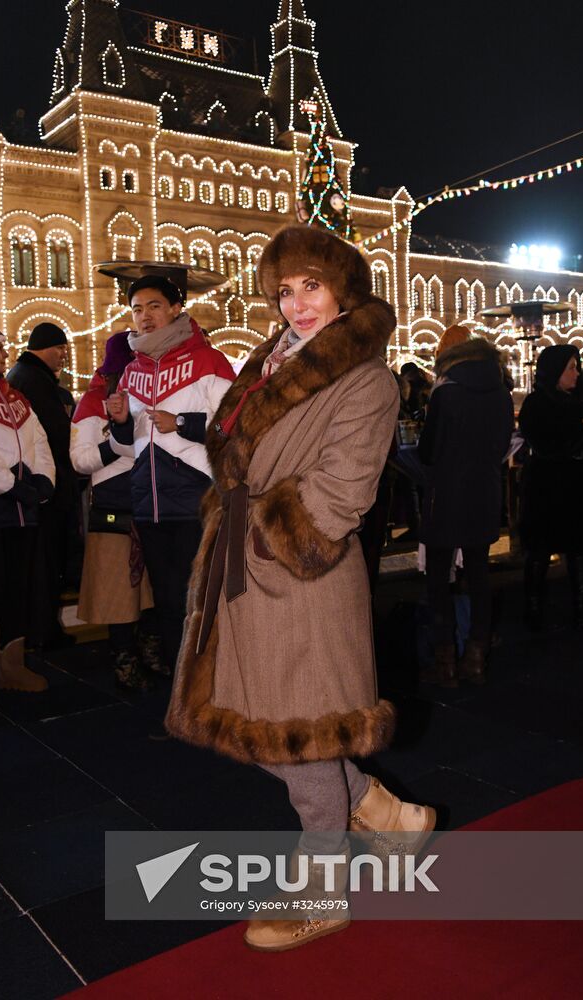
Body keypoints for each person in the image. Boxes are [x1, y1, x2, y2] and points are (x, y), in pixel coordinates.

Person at [165, 225, 436, 952]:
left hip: (298, 577)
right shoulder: (274, 361)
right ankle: (380, 809)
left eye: (310, 286)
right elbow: (233, 455)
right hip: (241, 569)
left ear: (343, 290)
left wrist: (268, 535)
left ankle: (324, 892)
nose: (296, 304)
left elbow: (343, 491)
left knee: (303, 739)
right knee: (250, 722)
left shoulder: (365, 376)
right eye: (284, 290)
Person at [106, 277, 236, 684]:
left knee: (205, 600)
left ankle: (218, 687)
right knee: (166, 603)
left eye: (155, 306)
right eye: (137, 309)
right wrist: (122, 425)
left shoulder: (210, 361)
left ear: (177, 307)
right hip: (150, 505)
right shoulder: (130, 371)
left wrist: (182, 423)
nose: (145, 316)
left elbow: (237, 426)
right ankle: (182, 695)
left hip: (199, 501)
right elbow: (127, 448)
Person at [417, 335, 514, 686]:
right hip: (484, 492)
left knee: (439, 579)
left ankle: (445, 662)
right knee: (479, 576)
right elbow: (503, 444)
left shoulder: (446, 393)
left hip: (446, 494)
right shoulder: (502, 394)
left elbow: (429, 449)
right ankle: (476, 656)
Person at [0, 324, 54, 700]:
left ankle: (11, 666)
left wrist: (44, 479)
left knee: (20, 586)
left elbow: (38, 438)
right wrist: (12, 487)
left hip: (22, 508)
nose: (5, 356)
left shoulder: (15, 395)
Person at [70, 332, 156, 689]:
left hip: (150, 500)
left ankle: (150, 649)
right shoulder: (92, 401)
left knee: (152, 587)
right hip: (114, 506)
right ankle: (124, 657)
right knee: (119, 589)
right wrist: (118, 445)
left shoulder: (147, 396)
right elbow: (80, 460)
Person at [518, 345, 583, 630]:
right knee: (540, 551)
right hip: (547, 489)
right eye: (570, 367)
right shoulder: (536, 403)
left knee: (579, 549)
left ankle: (580, 608)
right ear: (555, 371)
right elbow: (545, 443)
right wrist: (582, 428)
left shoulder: (576, 401)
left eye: (576, 367)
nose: (576, 373)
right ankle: (532, 610)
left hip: (577, 489)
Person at [7, 322, 78, 647]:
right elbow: (54, 434)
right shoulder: (33, 380)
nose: (64, 355)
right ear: (47, 347)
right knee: (46, 562)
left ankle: (40, 630)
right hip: (46, 487)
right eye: (61, 349)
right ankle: (44, 632)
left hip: (38, 487)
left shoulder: (23, 376)